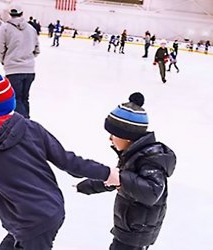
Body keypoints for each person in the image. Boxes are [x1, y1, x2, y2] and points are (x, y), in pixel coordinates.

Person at [0, 62, 118, 250]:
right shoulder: (31, 128)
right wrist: (106, 173)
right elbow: (68, 161)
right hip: (45, 212)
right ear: (10, 99)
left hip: (30, 223)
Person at [75, 92, 176, 250]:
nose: (110, 139)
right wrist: (90, 185)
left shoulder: (150, 160)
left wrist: (119, 178)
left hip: (136, 230)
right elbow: (118, 179)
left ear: (127, 137)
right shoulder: (135, 154)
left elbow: (152, 192)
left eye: (113, 135)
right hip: (131, 227)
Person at [0, 6, 40, 119]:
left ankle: (24, 125)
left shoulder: (5, 28)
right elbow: (37, 49)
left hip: (13, 69)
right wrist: (28, 58)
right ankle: (26, 123)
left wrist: (5, 61)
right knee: (25, 98)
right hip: (29, 70)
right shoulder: (31, 29)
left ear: (10, 14)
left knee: (16, 99)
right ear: (22, 13)